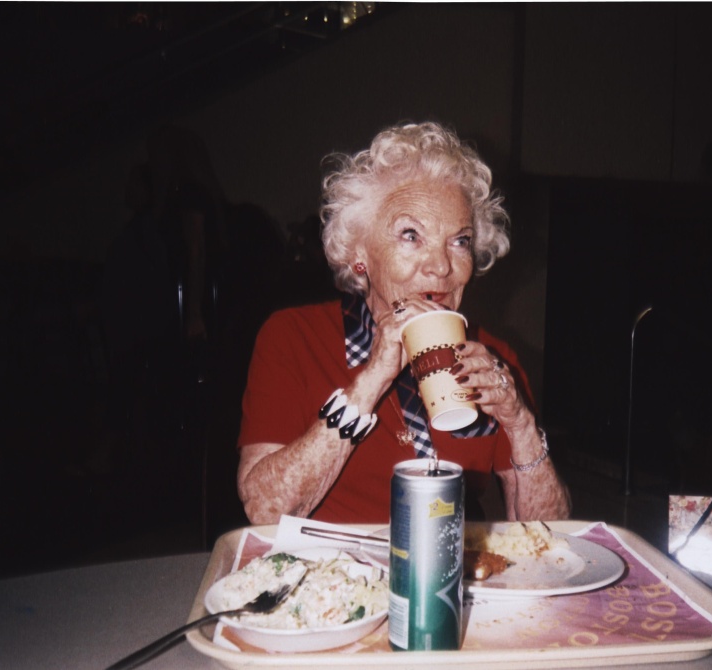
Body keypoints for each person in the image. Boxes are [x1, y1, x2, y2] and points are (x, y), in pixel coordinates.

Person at [237, 121, 571, 524]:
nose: (441, 266)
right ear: (359, 253)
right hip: (335, 577)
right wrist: (371, 379)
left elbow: (548, 535)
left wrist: (520, 424)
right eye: (411, 235)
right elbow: (264, 510)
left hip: (450, 574)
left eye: (459, 240)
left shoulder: (495, 361)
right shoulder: (293, 337)